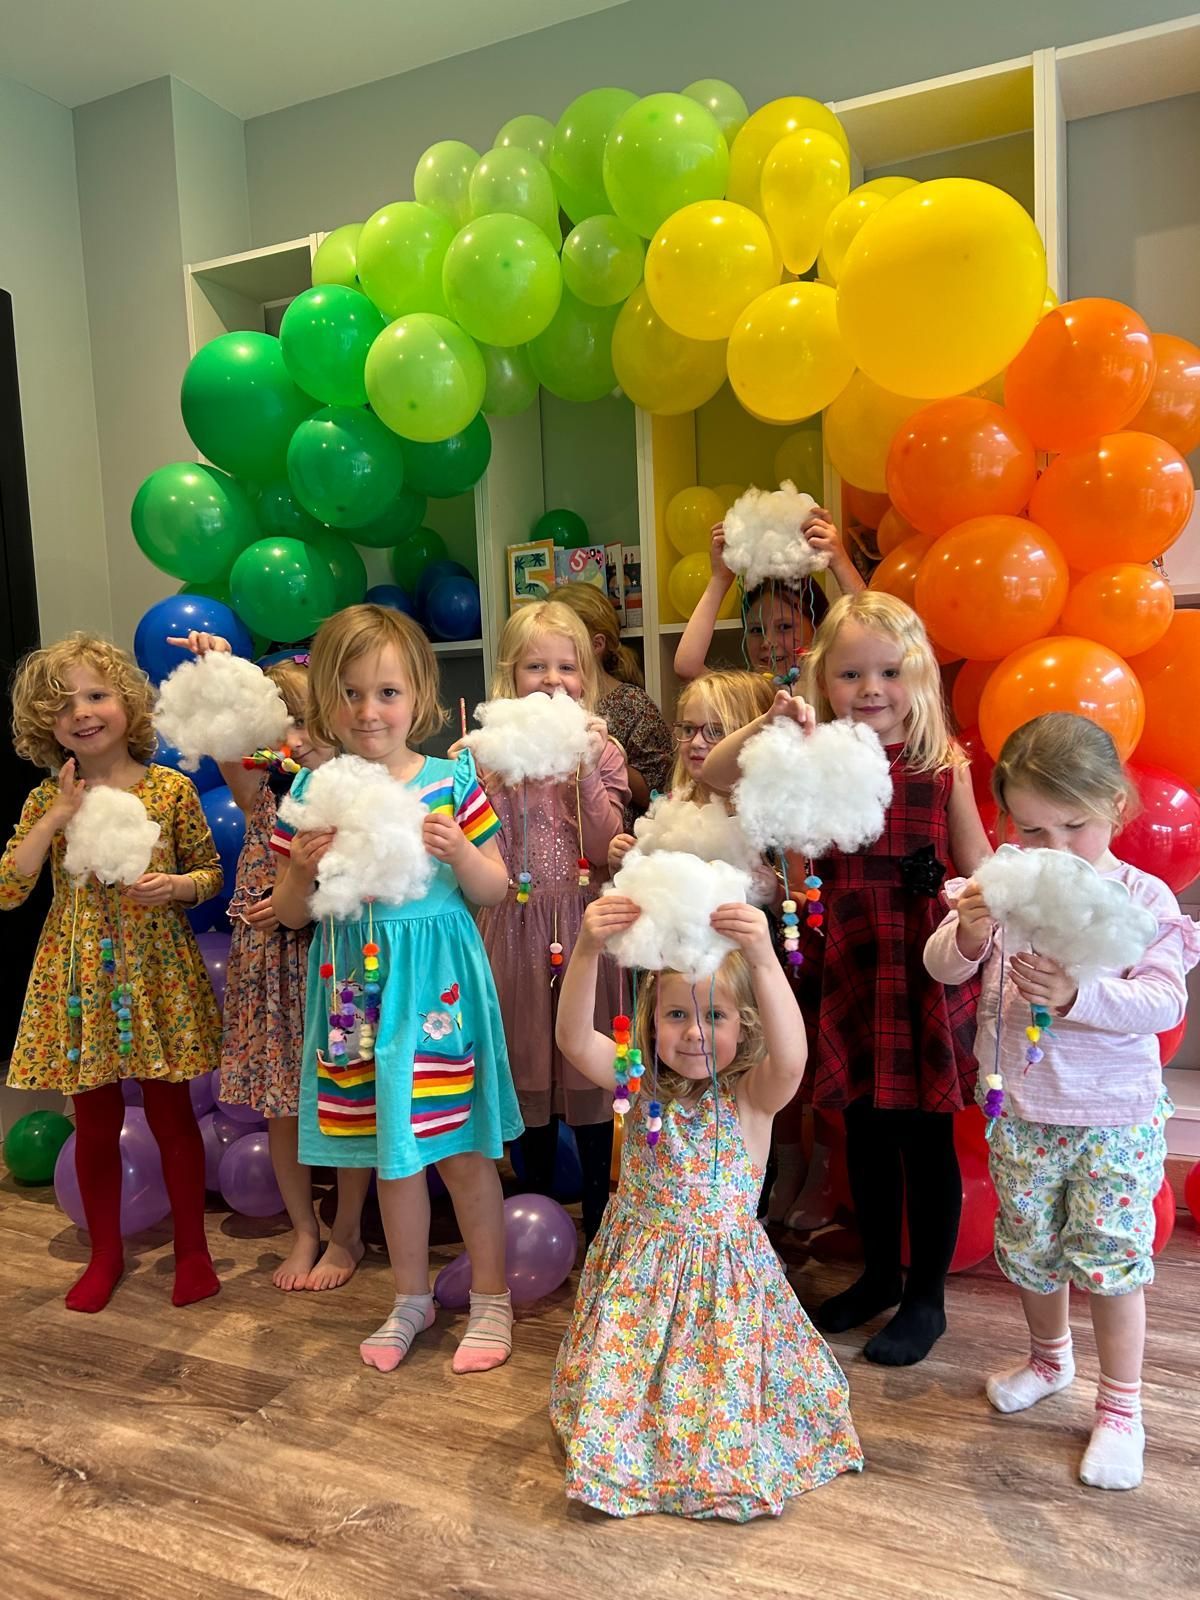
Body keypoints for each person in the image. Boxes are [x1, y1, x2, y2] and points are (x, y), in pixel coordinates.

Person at [702, 591, 992, 1365]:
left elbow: (983, 864)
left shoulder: (942, 765)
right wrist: (773, 726)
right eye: (851, 673)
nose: (872, 689)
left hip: (922, 961)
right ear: (822, 678)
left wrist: (986, 912)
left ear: (918, 675)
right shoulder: (813, 756)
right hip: (849, 958)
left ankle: (925, 1296)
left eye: (890, 672)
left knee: (925, 1137)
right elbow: (718, 771)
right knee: (862, 1127)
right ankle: (880, 1274)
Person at [925, 712, 1199, 1490]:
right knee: (1032, 1251)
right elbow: (944, 968)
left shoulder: (1143, 898)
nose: (1053, 849)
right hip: (1022, 1106)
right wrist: (970, 934)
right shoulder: (1006, 882)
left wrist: (1083, 995)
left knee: (1112, 1265)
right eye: (1033, 830)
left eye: (1073, 826)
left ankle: (1122, 1409)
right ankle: (1050, 1362)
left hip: (1112, 1117)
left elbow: (1161, 1004)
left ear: (1115, 806)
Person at [550, 894, 863, 1520]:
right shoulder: (636, 1082)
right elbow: (569, 1039)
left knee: (713, 1391)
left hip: (721, 1291)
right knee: (638, 1380)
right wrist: (586, 949)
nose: (693, 1031)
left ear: (744, 1024)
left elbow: (794, 1058)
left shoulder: (753, 1095)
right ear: (650, 1020)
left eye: (714, 1015)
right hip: (640, 1280)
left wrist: (764, 961)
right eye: (674, 1015)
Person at [271, 604, 522, 1373]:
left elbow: (497, 889)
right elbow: (287, 915)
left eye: (385, 692)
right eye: (349, 694)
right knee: (391, 1153)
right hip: (354, 991)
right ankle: (409, 1297)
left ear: (418, 694)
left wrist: (461, 853)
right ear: (325, 700)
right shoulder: (315, 788)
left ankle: (491, 1298)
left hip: (438, 992)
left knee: (462, 1150)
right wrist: (301, 869)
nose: (368, 711)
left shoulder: (452, 782)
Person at [1, 633, 223, 1312]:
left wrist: (179, 887)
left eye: (96, 696)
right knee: (93, 1123)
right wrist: (57, 819)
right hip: (80, 984)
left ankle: (192, 1250)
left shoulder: (171, 789)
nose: (83, 713)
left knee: (172, 1115)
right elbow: (10, 887)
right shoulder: (49, 799)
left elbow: (212, 873)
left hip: (157, 973)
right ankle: (105, 1253)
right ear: (49, 724)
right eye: (64, 705)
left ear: (127, 704)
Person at [167, 632, 369, 1292]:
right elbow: (227, 735)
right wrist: (218, 668)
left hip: (335, 952)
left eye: (307, 720)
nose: (293, 737)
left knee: (348, 1096)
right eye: (279, 724)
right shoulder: (259, 787)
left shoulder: (348, 785)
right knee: (284, 1105)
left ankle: (347, 1232)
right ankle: (304, 1229)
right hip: (270, 955)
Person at [475, 601, 630, 1244]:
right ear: (509, 677)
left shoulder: (604, 752)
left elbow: (606, 839)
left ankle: (598, 1226)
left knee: (591, 1075)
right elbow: (475, 837)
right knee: (527, 1068)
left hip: (585, 929)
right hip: (512, 930)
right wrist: (483, 766)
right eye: (535, 666)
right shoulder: (489, 753)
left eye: (567, 666)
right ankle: (533, 1216)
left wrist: (588, 765)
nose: (552, 679)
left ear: (587, 675)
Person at [673, 511, 864, 684]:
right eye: (756, 630)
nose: (767, 642)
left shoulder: (834, 687)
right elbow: (687, 668)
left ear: (819, 629)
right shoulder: (749, 694)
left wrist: (839, 561)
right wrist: (720, 579)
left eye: (784, 627)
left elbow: (878, 633)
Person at [553, 581, 672, 819]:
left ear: (596, 644)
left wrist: (605, 754)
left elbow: (657, 793)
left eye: (561, 636)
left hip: (618, 843)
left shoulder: (633, 704)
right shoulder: (542, 701)